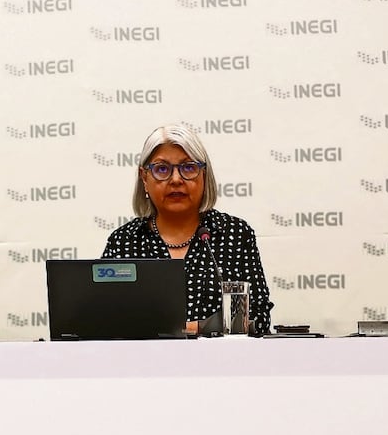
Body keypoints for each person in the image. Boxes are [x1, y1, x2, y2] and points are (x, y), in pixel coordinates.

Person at [102, 123, 273, 335]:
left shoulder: (235, 234)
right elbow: (105, 320)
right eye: (162, 169)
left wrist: (193, 329)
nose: (175, 180)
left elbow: (259, 317)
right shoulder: (123, 241)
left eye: (188, 168)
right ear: (144, 178)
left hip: (222, 364)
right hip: (143, 365)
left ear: (204, 175)